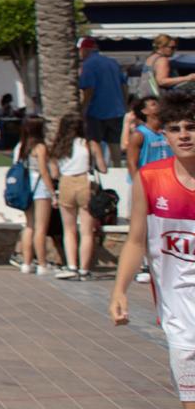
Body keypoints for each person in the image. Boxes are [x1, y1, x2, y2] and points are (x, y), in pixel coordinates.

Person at [110, 87, 195, 409]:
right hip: (180, 315)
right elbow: (135, 240)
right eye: (175, 128)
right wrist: (119, 290)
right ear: (164, 134)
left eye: (191, 126)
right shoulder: (150, 178)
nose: (184, 134)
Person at [48, 111, 106, 279]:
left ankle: (71, 266)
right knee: (87, 231)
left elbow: (54, 173)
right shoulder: (90, 144)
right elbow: (103, 168)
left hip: (66, 184)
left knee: (69, 229)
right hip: (85, 183)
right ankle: (84, 270)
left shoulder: (58, 146)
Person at [15, 116, 58, 275]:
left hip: (26, 187)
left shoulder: (21, 146)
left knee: (29, 226)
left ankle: (26, 263)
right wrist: (52, 192)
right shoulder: (40, 147)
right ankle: (42, 263)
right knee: (41, 228)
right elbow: (44, 171)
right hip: (40, 189)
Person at [77, 36, 127, 166]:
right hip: (117, 110)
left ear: (84, 50)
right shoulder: (113, 62)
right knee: (114, 142)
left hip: (96, 110)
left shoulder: (88, 65)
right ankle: (117, 167)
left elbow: (89, 89)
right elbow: (124, 86)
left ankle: (99, 168)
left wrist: (83, 108)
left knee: (93, 141)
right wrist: (124, 104)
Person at [127, 95, 171, 174]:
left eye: (159, 103)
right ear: (144, 111)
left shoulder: (169, 131)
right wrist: (137, 184)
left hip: (168, 179)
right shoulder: (139, 135)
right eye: (154, 104)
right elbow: (132, 164)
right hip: (148, 180)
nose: (159, 106)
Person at [142, 34, 191, 99]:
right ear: (161, 47)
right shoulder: (162, 60)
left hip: (148, 98)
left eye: (175, 47)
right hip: (161, 99)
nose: (174, 50)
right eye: (172, 47)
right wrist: (187, 78)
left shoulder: (151, 58)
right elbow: (161, 81)